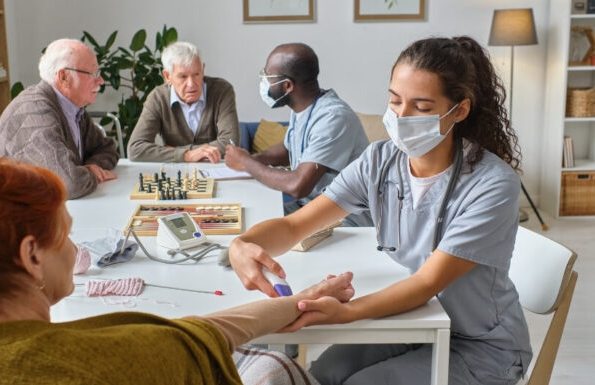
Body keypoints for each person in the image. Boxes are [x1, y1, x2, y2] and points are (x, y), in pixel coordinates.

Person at [228, 36, 532, 385]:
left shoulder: (492, 184)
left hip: (479, 345)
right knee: (322, 374)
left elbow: (427, 281)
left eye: (420, 107)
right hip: (413, 320)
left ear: (459, 110)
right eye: (394, 101)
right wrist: (243, 244)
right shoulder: (380, 161)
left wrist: (344, 313)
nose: (401, 117)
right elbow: (295, 226)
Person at [0, 157, 354, 385]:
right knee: (275, 367)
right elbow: (200, 337)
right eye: (63, 236)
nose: (75, 248)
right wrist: (306, 296)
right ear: (31, 256)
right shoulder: (106, 362)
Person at [225, 43, 371, 226]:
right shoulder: (302, 108)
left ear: (287, 86)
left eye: (267, 76)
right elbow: (288, 149)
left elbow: (298, 186)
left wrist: (246, 163)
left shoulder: (333, 118)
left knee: (256, 231)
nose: (264, 81)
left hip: (344, 219)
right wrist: (253, 158)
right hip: (311, 208)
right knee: (247, 220)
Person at [0, 38, 118, 199]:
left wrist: (92, 166)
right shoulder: (35, 111)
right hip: (8, 216)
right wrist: (88, 172)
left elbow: (108, 149)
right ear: (63, 77)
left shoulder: (73, 108)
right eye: (93, 74)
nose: (101, 80)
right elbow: (69, 184)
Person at [127, 41, 239, 163]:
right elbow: (135, 149)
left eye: (196, 74)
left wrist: (174, 150)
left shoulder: (222, 91)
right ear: (167, 76)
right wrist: (187, 155)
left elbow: (230, 144)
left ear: (203, 69)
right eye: (183, 76)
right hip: (177, 174)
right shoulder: (158, 98)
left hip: (216, 170)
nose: (191, 84)